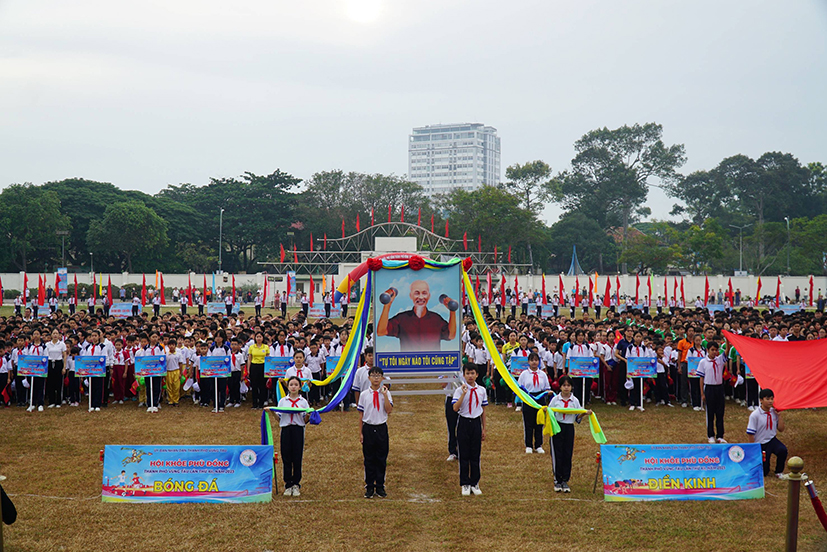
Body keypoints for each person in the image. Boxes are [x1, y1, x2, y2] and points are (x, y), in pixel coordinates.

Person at [377, 280, 458, 352]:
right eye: (416, 293)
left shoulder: (436, 319)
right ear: (411, 296)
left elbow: (451, 335)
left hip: (432, 366)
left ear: (429, 296)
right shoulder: (402, 318)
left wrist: (452, 311)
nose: (421, 297)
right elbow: (381, 331)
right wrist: (387, 305)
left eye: (424, 293)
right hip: (408, 366)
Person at [549, 376, 591, 493]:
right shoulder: (555, 400)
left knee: (567, 453)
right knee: (558, 453)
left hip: (569, 428)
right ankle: (557, 479)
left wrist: (585, 413)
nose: (566, 388)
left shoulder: (575, 401)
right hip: (557, 427)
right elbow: (550, 413)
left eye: (568, 385)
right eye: (564, 385)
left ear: (571, 387)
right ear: (560, 387)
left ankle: (565, 480)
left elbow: (577, 417)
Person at [452, 363, 487, 496]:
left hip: (476, 423)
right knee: (464, 454)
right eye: (467, 373)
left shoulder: (482, 390)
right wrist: (463, 393)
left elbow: (483, 410)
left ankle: (475, 483)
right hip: (464, 422)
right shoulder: (459, 390)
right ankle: (465, 483)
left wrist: (484, 428)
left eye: (472, 373)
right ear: (464, 375)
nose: (470, 376)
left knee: (475, 454)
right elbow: (455, 408)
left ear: (477, 375)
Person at [358, 365, 393, 498]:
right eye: (373, 376)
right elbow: (361, 415)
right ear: (369, 378)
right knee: (369, 458)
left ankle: (380, 485)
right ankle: (369, 486)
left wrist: (384, 396)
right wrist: (360, 433)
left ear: (382, 378)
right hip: (368, 427)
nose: (376, 378)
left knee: (381, 458)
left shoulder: (386, 393)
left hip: (381, 428)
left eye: (378, 376)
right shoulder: (364, 394)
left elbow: (389, 410)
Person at [277, 376, 311, 496]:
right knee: (286, 456)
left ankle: (296, 484)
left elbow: (305, 419)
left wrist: (308, 414)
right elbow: (279, 417)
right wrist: (271, 412)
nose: (293, 387)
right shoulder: (282, 401)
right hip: (286, 429)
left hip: (298, 430)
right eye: (291, 384)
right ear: (288, 386)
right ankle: (288, 484)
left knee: (297, 457)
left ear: (300, 387)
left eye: (296, 384)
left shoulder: (303, 402)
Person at [746, 388, 788, 478]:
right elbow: (750, 433)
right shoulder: (755, 415)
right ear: (761, 400)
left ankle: (779, 471)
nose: (770, 401)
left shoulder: (774, 412)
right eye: (767, 399)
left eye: (772, 399)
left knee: (783, 450)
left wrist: (779, 416)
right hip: (760, 443)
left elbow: (781, 429)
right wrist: (753, 448)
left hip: (771, 439)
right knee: (764, 471)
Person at [517, 352, 549, 453]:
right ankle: (529, 445)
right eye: (532, 360)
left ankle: (538, 445)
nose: (534, 362)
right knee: (528, 422)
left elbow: (546, 388)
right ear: (528, 362)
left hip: (540, 398)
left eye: (536, 360)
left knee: (539, 422)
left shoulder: (543, 374)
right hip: (528, 398)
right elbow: (519, 388)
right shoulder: (524, 374)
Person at [698, 341, 727, 443]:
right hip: (709, 388)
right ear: (707, 350)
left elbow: (727, 351)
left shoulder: (719, 360)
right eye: (712, 350)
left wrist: (728, 340)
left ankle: (720, 435)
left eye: (716, 350)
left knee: (720, 412)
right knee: (710, 413)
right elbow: (701, 378)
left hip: (719, 388)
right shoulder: (703, 362)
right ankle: (710, 435)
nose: (714, 352)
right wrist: (702, 393)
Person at [246, 332, 269, 409]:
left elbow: (268, 359)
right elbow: (249, 359)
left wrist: (267, 369)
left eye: (260, 337)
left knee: (262, 386)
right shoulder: (252, 347)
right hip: (254, 366)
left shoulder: (266, 347)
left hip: (263, 366)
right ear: (255, 338)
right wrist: (248, 370)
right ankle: (255, 403)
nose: (259, 338)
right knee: (254, 386)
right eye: (257, 337)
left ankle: (261, 403)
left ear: (263, 338)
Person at [45, 328, 67, 408]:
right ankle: (51, 401)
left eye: (56, 333)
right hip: (50, 363)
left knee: (59, 384)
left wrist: (64, 367)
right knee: (50, 383)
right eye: (53, 333)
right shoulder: (47, 345)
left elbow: (64, 356)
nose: (55, 335)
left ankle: (58, 402)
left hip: (58, 363)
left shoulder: (62, 344)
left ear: (59, 335)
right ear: (51, 335)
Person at [165, 338, 184, 407]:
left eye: (173, 345)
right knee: (169, 387)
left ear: (175, 346)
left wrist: (180, 373)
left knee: (176, 387)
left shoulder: (178, 354)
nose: (171, 346)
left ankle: (176, 400)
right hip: (168, 371)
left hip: (176, 371)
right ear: (168, 346)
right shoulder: (166, 354)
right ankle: (170, 400)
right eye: (170, 345)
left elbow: (180, 364)